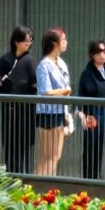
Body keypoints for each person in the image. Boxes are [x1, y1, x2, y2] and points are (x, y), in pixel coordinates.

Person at [0, 26, 37, 174]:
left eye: (30, 41)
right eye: (24, 41)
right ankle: (12, 175)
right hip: (7, 111)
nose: (28, 44)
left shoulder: (30, 60)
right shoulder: (6, 59)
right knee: (10, 145)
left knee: (25, 145)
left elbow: (35, 83)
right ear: (16, 41)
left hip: (26, 111)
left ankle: (25, 177)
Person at [77, 39, 105, 180]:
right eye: (99, 52)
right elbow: (81, 99)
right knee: (93, 152)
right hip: (94, 116)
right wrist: (83, 115)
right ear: (92, 55)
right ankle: (91, 182)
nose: (103, 54)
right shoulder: (86, 74)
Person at [34, 28, 72, 176]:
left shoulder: (61, 63)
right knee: (48, 156)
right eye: (62, 40)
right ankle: (36, 187)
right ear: (54, 43)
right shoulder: (44, 64)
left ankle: (49, 188)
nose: (65, 43)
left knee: (56, 156)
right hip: (47, 112)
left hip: (60, 111)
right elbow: (46, 92)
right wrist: (65, 91)